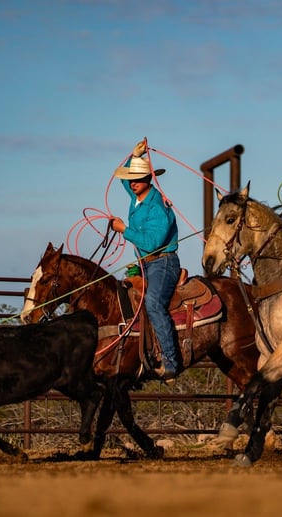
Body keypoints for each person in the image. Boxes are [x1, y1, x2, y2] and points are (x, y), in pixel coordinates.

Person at [110, 138, 181, 381]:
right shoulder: (137, 197)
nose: (133, 183)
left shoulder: (158, 207)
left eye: (138, 179)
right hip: (146, 264)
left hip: (163, 262)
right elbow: (123, 179)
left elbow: (152, 243)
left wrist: (124, 230)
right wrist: (134, 156)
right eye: (132, 180)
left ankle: (170, 361)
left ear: (148, 179)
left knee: (153, 303)